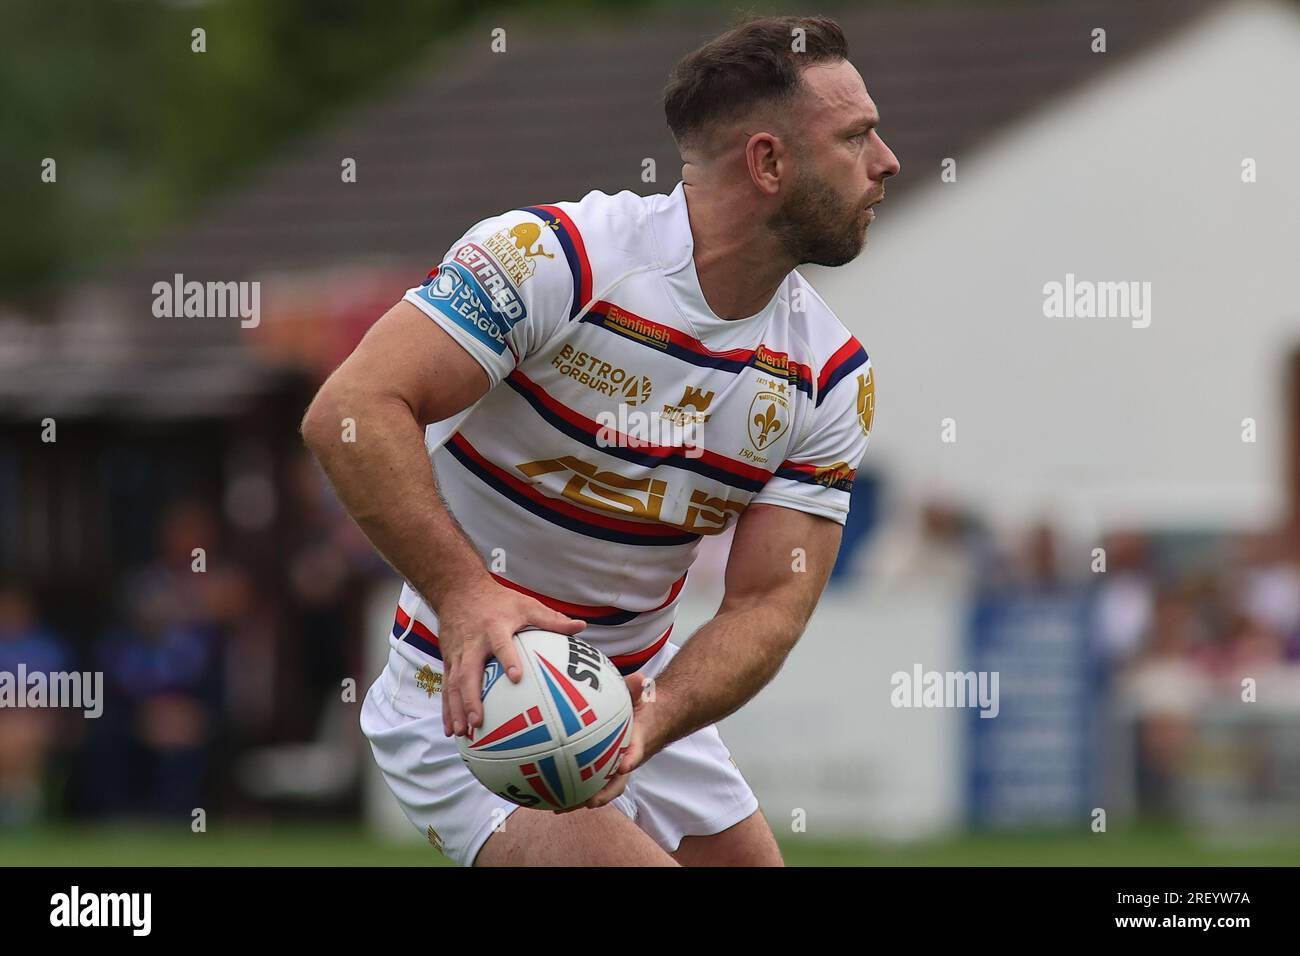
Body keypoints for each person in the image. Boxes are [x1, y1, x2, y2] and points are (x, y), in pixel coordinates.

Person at [302, 14, 899, 866]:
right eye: (858, 136)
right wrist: (468, 595)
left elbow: (769, 602)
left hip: (630, 697)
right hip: (469, 689)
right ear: (767, 162)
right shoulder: (557, 259)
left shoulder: (831, 374)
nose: (887, 162)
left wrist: (652, 712)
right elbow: (351, 410)